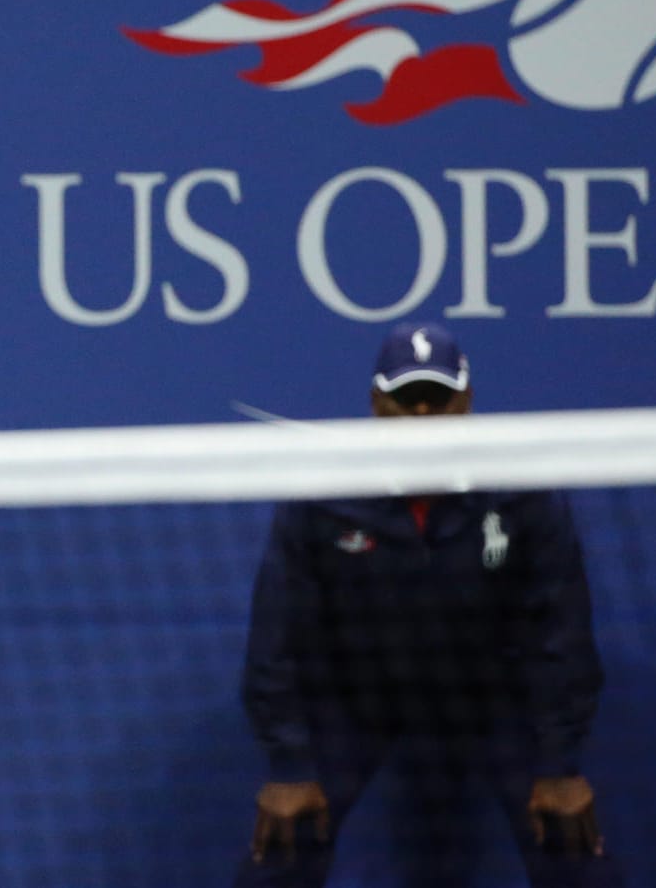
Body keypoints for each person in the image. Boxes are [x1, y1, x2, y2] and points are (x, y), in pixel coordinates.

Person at [233, 321, 625, 887]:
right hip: (359, 700)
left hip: (492, 699)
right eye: (405, 399)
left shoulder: (521, 491)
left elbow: (560, 630)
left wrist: (559, 763)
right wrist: (289, 765)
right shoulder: (322, 496)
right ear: (376, 404)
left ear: (464, 401)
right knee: (283, 850)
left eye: (437, 398)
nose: (422, 414)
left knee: (573, 850)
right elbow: (278, 633)